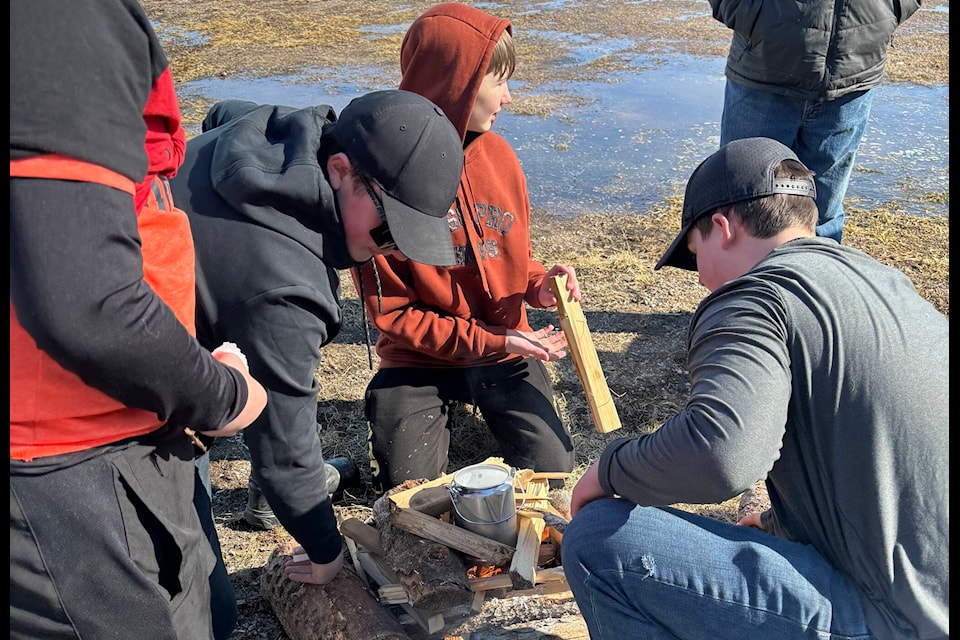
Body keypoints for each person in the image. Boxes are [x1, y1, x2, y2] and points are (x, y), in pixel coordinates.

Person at [561, 137, 948, 640]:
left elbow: (721, 455)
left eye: (695, 255)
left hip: (894, 623)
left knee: (597, 542)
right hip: (932, 602)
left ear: (721, 228)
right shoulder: (886, 284)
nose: (701, 281)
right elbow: (879, 455)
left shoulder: (759, 296)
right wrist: (780, 523)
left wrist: (607, 470)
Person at [10, 1, 268, 639]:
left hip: (101, 435)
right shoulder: (61, 17)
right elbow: (90, 305)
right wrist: (222, 392)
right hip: (68, 473)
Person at [168, 89, 465, 589]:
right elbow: (283, 447)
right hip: (104, 403)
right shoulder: (284, 288)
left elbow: (218, 113)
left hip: (121, 325)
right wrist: (326, 551)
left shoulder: (271, 133)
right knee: (207, 612)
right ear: (342, 170)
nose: (387, 253)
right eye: (389, 231)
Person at [352, 2, 580, 495]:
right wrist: (497, 340)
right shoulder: (386, 178)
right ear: (455, 83)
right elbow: (395, 316)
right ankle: (412, 410)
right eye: (497, 81)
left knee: (554, 467)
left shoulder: (501, 157)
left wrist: (540, 286)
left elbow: (511, 255)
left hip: (502, 351)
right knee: (409, 488)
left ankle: (484, 401)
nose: (509, 97)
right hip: (420, 359)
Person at [709, 0, 921, 243]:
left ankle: (812, 279)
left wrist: (888, 10)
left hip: (852, 75)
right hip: (765, 68)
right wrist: (752, 14)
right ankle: (746, 281)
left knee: (823, 217)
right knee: (743, 208)